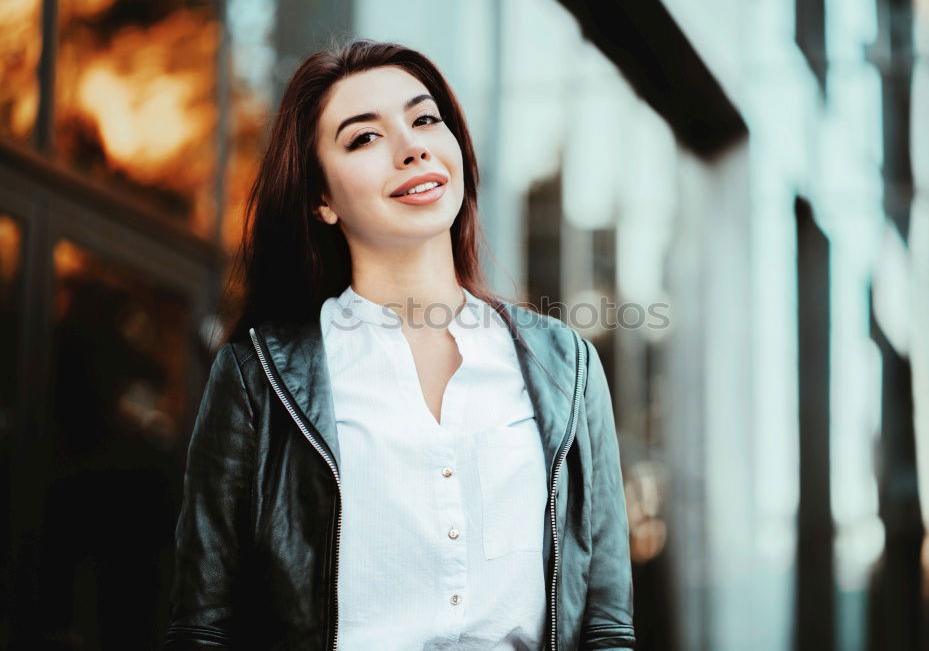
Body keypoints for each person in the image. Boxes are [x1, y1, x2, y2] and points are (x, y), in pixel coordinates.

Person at [163, 37, 634, 651]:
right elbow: (204, 625)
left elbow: (605, 624)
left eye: (424, 119)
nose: (412, 148)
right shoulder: (259, 376)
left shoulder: (566, 366)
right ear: (321, 199)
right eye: (365, 137)